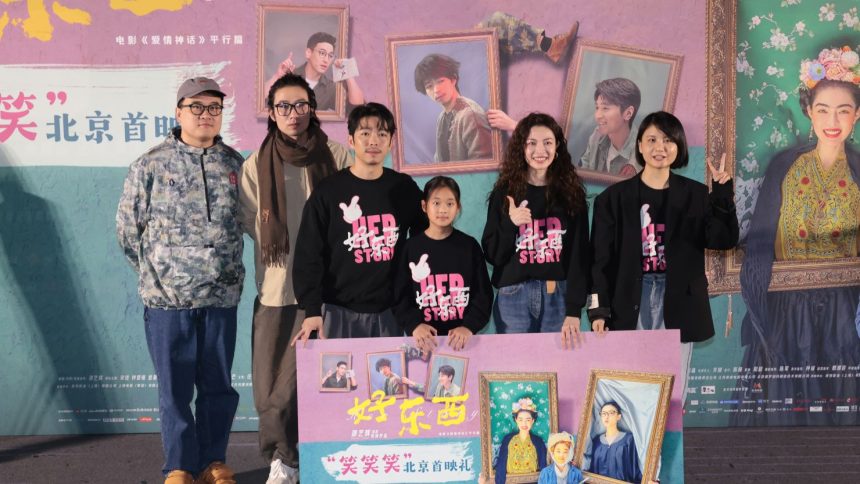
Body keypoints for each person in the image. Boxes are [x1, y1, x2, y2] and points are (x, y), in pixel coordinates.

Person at [116, 77, 244, 484]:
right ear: (178, 112)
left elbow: (248, 222)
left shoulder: (235, 165)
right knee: (174, 390)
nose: (206, 115)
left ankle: (212, 461)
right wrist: (161, 274)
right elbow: (127, 230)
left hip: (221, 296)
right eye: (197, 107)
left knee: (218, 387)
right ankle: (179, 466)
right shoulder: (151, 164)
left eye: (214, 108)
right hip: (167, 300)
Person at [734, 45, 860, 426]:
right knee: (785, 408)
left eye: (843, 110)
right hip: (785, 310)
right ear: (809, 111)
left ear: (857, 113)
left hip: (845, 309)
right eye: (823, 109)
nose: (832, 120)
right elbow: (758, 242)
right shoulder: (784, 166)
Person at [239, 72, 353, 484]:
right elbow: (252, 222)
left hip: (331, 290)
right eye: (283, 106)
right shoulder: (256, 164)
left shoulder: (337, 156)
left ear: (312, 109)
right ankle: (283, 460)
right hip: (277, 290)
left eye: (301, 105)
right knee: (271, 391)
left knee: (328, 382)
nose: (293, 113)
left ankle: (324, 455)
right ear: (271, 113)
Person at [588, 111, 738, 402]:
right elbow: (600, 260)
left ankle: (665, 444)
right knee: (632, 382)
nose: (660, 147)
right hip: (631, 295)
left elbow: (722, 240)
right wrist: (599, 309)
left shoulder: (695, 194)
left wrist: (720, 194)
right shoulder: (613, 200)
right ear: (640, 146)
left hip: (679, 297)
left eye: (668, 140)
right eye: (652, 140)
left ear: (679, 147)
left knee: (672, 388)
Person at [291, 102, 426, 344]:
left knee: (385, 381)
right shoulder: (329, 192)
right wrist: (311, 310)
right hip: (337, 311)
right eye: (365, 133)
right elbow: (308, 255)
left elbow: (425, 242)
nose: (374, 141)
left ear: (391, 142)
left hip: (390, 312)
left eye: (382, 134)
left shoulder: (404, 188)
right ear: (351, 141)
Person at [482, 113, 590, 340]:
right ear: (521, 147)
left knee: (557, 367)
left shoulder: (571, 195)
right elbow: (493, 255)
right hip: (513, 295)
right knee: (515, 368)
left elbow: (579, 257)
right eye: (531, 143)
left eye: (547, 142)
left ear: (558, 146)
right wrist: (512, 224)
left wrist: (573, 310)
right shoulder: (505, 192)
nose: (540, 151)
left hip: (557, 294)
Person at [393, 176, 492, 354]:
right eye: (436, 203)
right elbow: (399, 296)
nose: (443, 210)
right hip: (422, 342)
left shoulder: (469, 247)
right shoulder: (410, 248)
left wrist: (468, 327)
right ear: (424, 206)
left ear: (458, 208)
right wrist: (414, 325)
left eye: (449, 204)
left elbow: (483, 296)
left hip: (462, 342)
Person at [413, 54, 493, 162]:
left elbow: (482, 165)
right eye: (429, 86)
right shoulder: (442, 117)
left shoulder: (470, 115)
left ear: (453, 79)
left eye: (440, 81)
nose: (436, 90)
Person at [266, 32, 366, 111]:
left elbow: (358, 108)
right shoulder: (290, 77)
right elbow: (262, 102)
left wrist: (348, 74)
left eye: (330, 55)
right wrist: (277, 76)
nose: (326, 60)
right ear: (308, 53)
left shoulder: (330, 88)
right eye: (322, 53)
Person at [579, 78, 642, 176]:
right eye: (597, 107)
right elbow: (582, 175)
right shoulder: (596, 136)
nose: (597, 116)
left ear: (628, 113)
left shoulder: (645, 152)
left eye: (605, 108)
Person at [494, 397, 547, 484]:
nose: (524, 423)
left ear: (533, 421)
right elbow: (501, 466)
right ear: (516, 420)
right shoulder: (508, 440)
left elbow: (543, 468)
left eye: (528, 420)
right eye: (520, 420)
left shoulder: (538, 442)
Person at [585, 402, 642, 482]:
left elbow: (635, 468)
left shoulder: (628, 439)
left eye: (611, 413)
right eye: (604, 413)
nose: (606, 416)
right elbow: (591, 470)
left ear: (618, 416)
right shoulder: (596, 441)